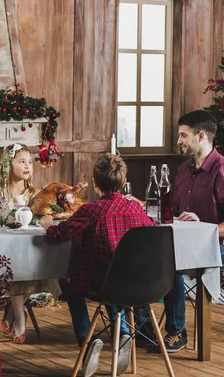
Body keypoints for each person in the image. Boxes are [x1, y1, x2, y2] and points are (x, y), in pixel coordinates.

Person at [139, 110, 224, 353]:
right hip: (184, 244)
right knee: (142, 255)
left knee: (171, 264)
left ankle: (177, 333)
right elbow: (174, 212)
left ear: (200, 136)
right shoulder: (184, 170)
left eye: (183, 136)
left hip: (220, 248)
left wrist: (202, 228)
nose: (179, 141)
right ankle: (144, 328)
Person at [39, 154, 155, 377]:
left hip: (101, 282)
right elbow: (152, 228)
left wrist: (48, 225)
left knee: (72, 289)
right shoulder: (135, 209)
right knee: (115, 281)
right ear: (123, 181)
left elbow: (61, 234)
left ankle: (87, 340)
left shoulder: (91, 211)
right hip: (138, 282)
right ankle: (121, 334)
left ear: (94, 182)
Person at [0, 143, 61, 344]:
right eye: (21, 161)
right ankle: (20, 318)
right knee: (16, 271)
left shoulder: (35, 194)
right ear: (9, 165)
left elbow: (45, 218)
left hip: (30, 251)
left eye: (30, 162)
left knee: (29, 268)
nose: (27, 166)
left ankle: (11, 313)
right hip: (4, 253)